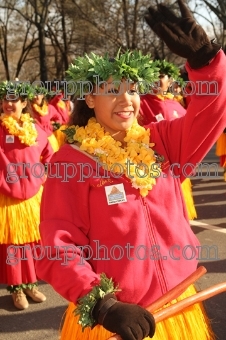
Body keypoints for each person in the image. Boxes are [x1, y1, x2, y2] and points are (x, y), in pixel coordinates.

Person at [36, 1, 225, 339]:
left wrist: (205, 63)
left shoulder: (161, 142)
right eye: (112, 90)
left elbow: (210, 114)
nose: (127, 99)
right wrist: (102, 306)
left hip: (179, 307)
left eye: (133, 89)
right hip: (115, 319)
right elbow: (58, 247)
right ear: (90, 99)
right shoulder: (70, 163)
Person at [0, 81, 54, 310]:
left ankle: (31, 285)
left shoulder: (37, 130)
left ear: (24, 103)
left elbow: (49, 157)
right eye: (6, 99)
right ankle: (16, 290)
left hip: (32, 198)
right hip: (6, 200)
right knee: (12, 248)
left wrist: (41, 178)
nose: (9, 104)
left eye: (15, 100)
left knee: (32, 245)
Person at [139, 60, 197, 220]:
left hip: (179, 170)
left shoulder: (176, 103)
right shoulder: (140, 102)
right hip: (154, 171)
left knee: (180, 220)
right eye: (153, 75)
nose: (156, 79)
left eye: (161, 75)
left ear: (170, 81)